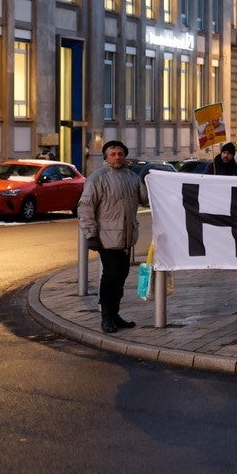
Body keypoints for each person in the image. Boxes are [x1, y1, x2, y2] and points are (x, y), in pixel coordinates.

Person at [78, 140, 146, 334]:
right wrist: (90, 234)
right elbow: (86, 207)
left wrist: (148, 180)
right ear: (106, 157)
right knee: (111, 275)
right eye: (113, 154)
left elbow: (144, 199)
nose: (117, 157)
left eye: (120, 154)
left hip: (126, 237)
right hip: (106, 237)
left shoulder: (132, 177)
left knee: (122, 275)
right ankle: (106, 316)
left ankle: (115, 314)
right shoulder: (97, 178)